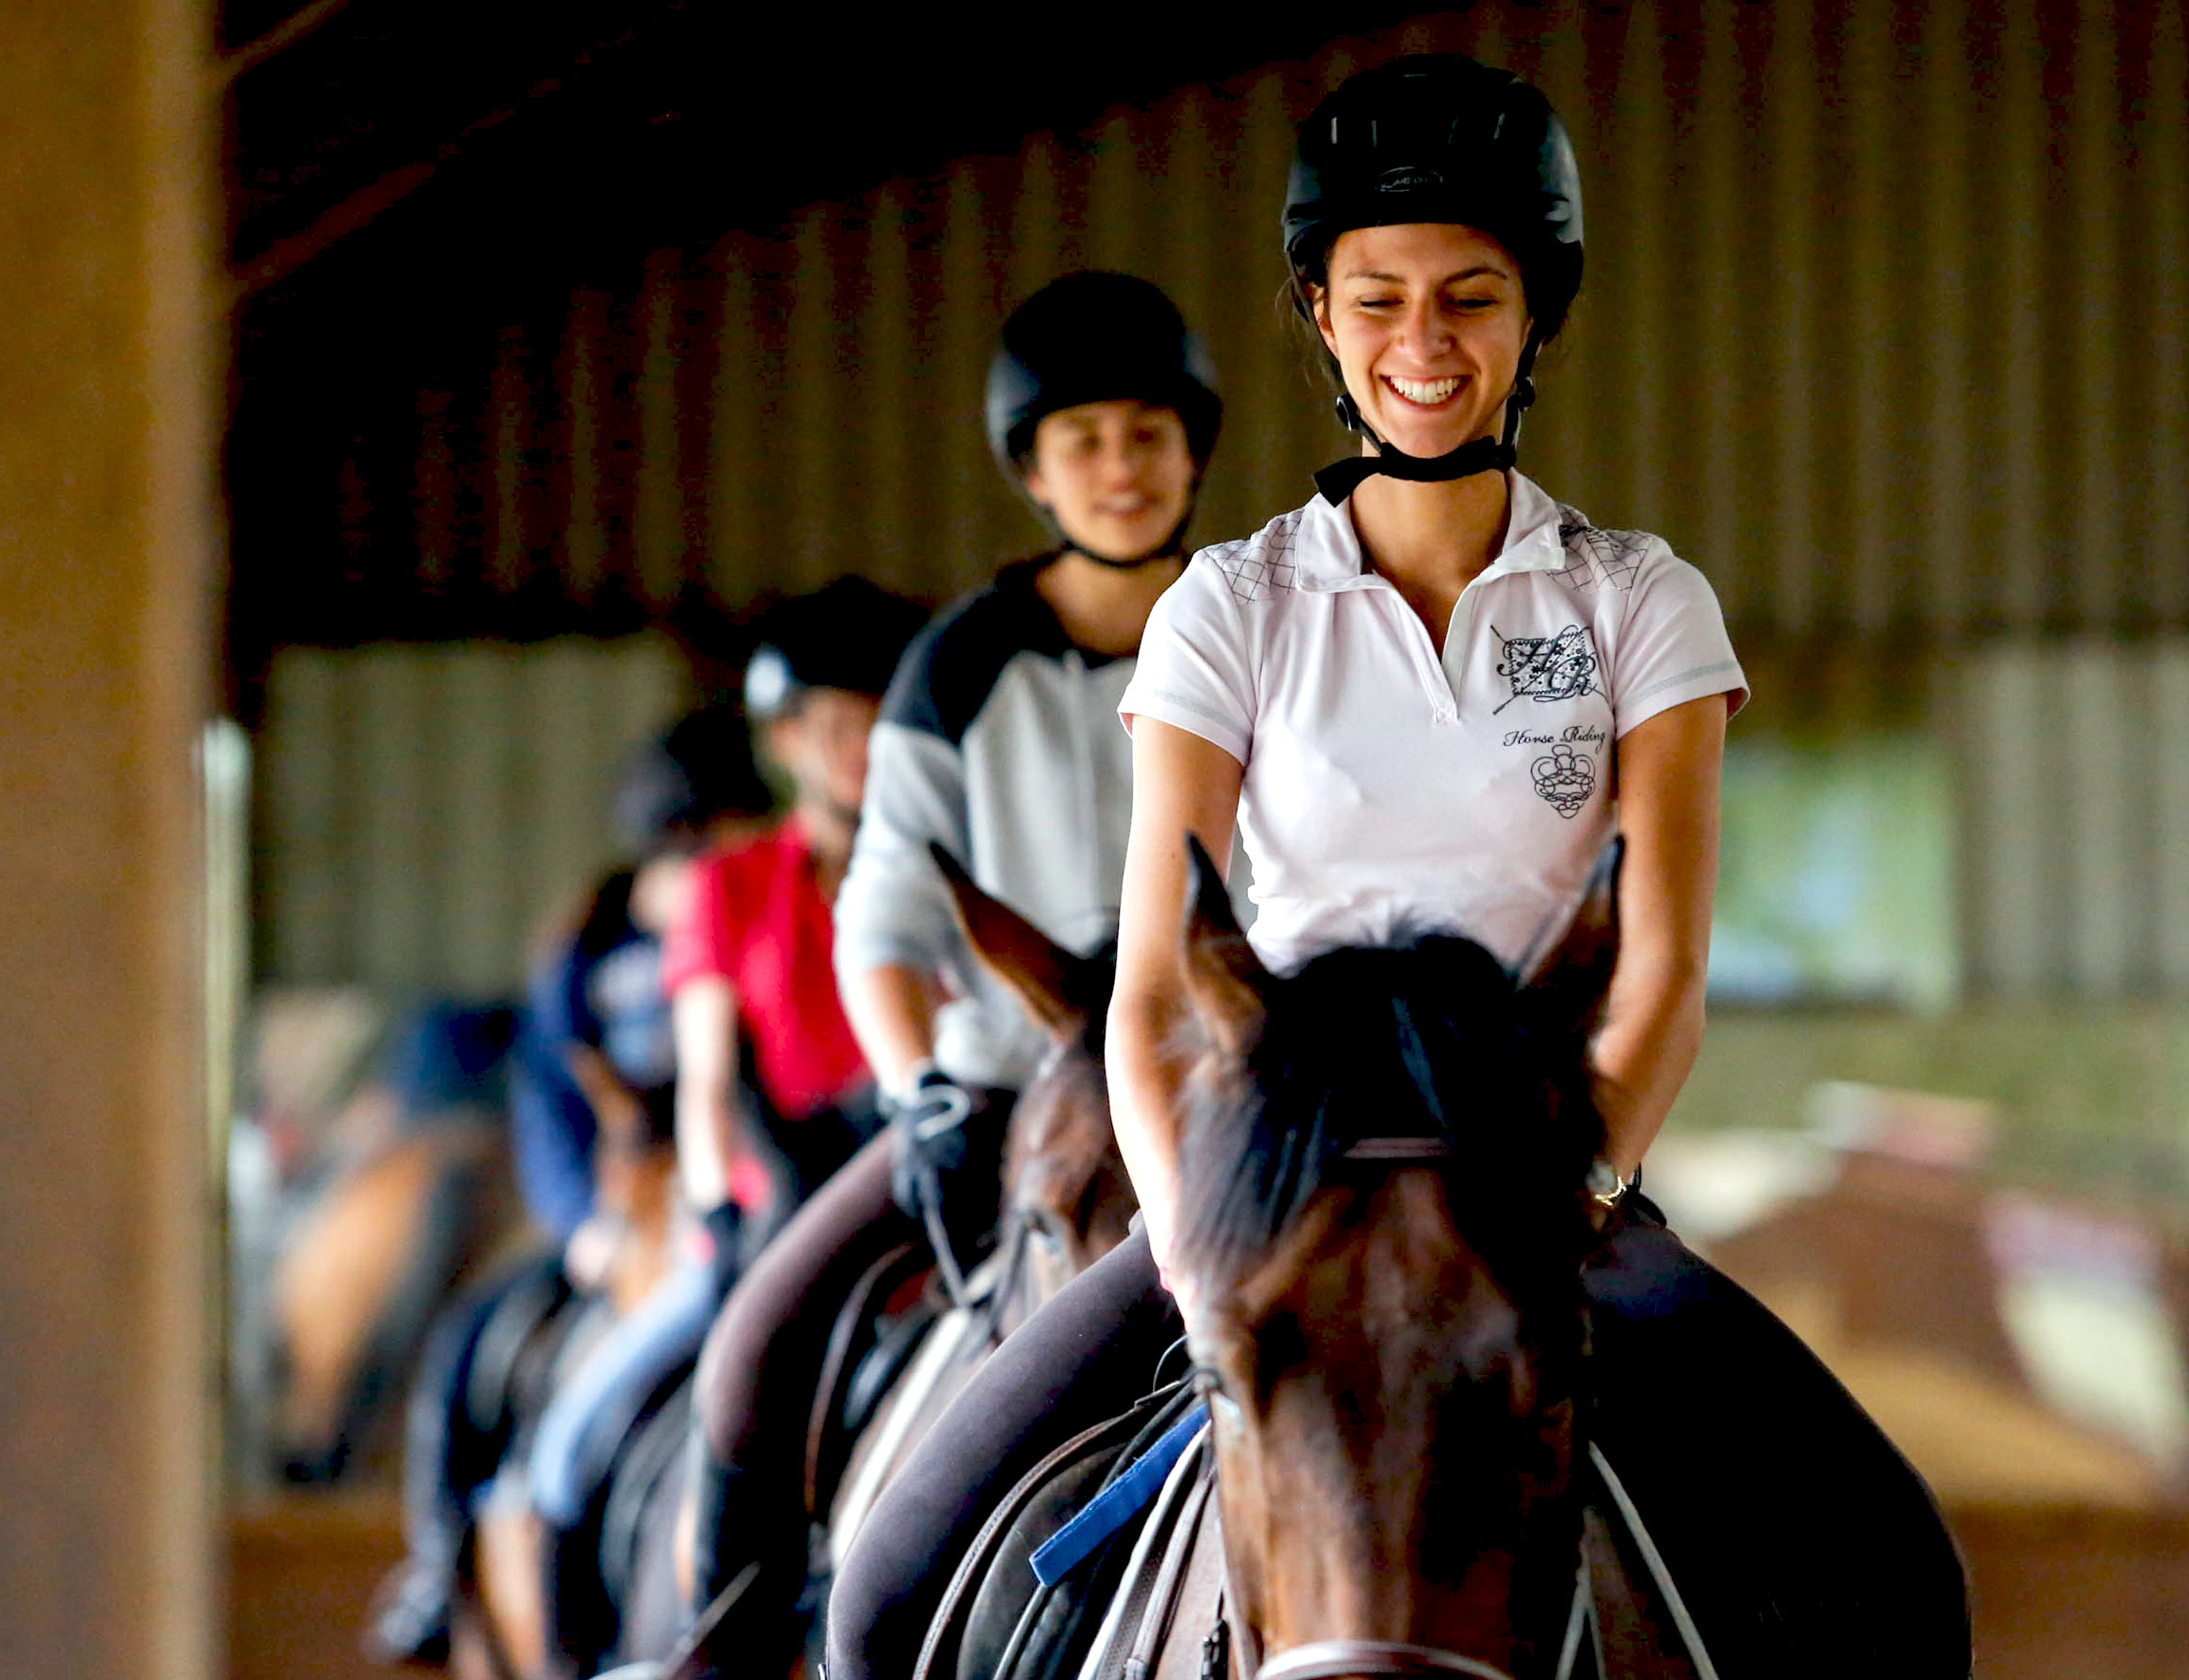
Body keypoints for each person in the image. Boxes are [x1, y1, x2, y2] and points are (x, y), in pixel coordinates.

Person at [821, 52, 1756, 1680]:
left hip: (1550, 1182)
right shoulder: (1228, 609)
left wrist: (1569, 1198)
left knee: (1883, 1556)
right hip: (1270, 1179)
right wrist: (1196, 1247)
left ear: (1535, 314)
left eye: (1469, 294)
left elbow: (1662, 960)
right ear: (1316, 318)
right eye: (1376, 296)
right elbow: (1157, 984)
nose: (1423, 340)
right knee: (889, 1585)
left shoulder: (1637, 599)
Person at [678, 273, 1227, 1664]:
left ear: (1190, 451)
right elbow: (883, 922)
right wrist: (919, 1086)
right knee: (755, 1344)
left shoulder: (1257, 625)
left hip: (1227, 1108)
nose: (1118, 466)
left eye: (1145, 433)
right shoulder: (956, 667)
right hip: (1005, 1103)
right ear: (1032, 471)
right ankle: (730, 1642)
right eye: (1082, 439)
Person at [526, 579, 923, 1670]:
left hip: (926, 1206)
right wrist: (714, 1208)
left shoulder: (949, 875)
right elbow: (707, 1079)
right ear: (788, 739)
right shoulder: (730, 887)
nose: (864, 750)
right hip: (772, 1211)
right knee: (568, 1450)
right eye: (838, 727)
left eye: (886, 720)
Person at [367, 704, 768, 1666]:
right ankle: (434, 1562)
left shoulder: (761, 925)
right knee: (473, 1335)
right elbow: (546, 1100)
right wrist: (579, 1220)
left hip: (738, 1202)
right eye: (705, 848)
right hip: (616, 1206)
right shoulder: (588, 951)